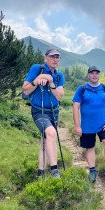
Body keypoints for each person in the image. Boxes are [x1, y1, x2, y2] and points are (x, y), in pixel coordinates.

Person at [22, 48, 65, 178]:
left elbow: (59, 96)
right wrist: (37, 80)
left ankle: (40, 174)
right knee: (51, 133)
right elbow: (25, 90)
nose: (55, 59)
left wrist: (51, 82)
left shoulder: (59, 76)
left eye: (57, 57)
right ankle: (54, 171)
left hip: (54, 112)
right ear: (46, 58)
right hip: (39, 111)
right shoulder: (37, 69)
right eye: (52, 57)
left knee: (45, 141)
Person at [72, 65, 105, 183]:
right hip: (87, 126)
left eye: (96, 73)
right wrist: (77, 126)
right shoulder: (82, 89)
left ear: (99, 75)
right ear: (88, 75)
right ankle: (92, 171)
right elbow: (75, 107)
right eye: (92, 73)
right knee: (90, 148)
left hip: (103, 124)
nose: (94, 75)